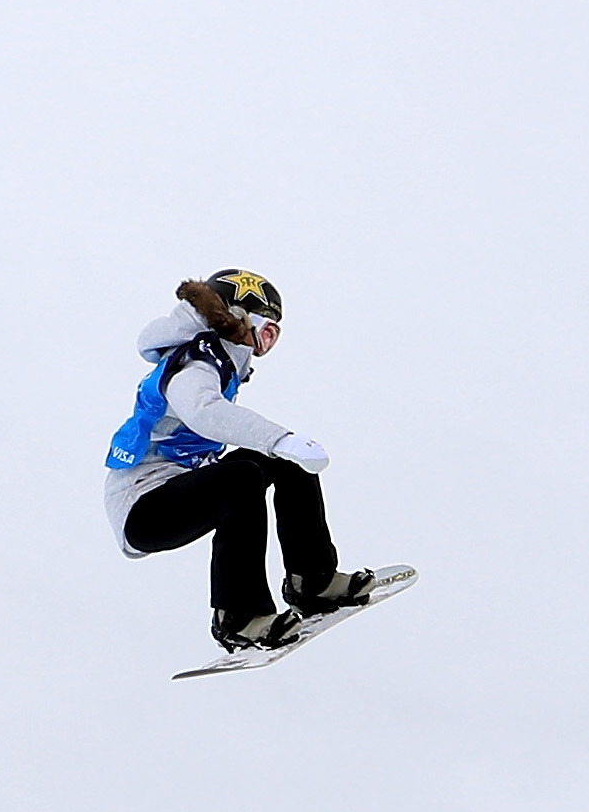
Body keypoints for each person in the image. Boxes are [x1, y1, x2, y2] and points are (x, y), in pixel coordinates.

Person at [104, 269, 385, 656]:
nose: (263, 346)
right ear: (237, 319)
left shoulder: (220, 362)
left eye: (274, 337)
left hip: (176, 486)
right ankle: (239, 617)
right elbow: (203, 410)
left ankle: (313, 580)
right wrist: (278, 437)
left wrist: (280, 447)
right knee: (243, 477)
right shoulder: (195, 363)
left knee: (286, 463)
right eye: (265, 331)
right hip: (142, 507)